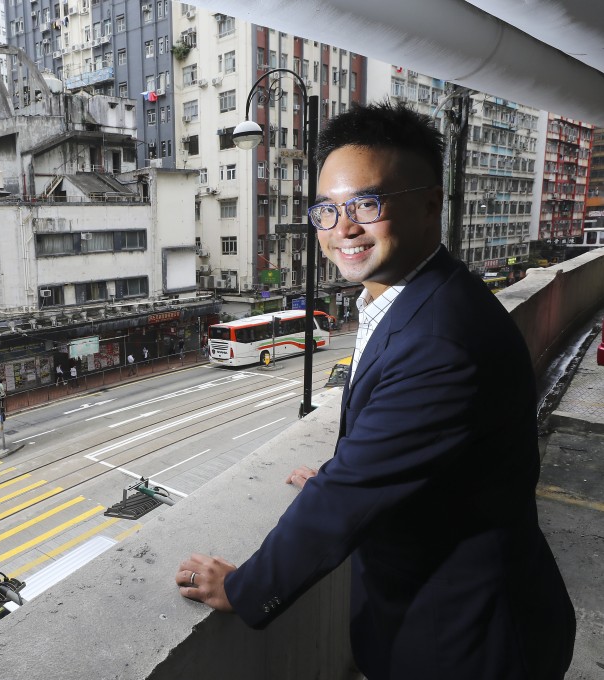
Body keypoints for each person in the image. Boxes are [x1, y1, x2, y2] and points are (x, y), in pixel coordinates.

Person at [175, 101, 575, 680]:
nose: (344, 230)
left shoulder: (442, 339)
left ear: (432, 204)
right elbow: (405, 442)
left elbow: (345, 500)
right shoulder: (413, 298)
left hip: (467, 642)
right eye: (327, 211)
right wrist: (358, 462)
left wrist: (245, 586)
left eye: (368, 203)